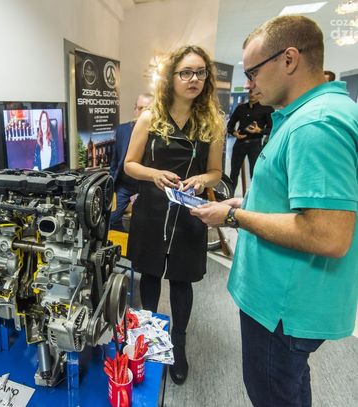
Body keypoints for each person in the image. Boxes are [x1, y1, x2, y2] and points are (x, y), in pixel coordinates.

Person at [191, 15, 358, 407]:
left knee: (272, 393)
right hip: (285, 301)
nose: (248, 83)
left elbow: (327, 235)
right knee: (291, 386)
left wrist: (232, 217)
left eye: (253, 72)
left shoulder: (316, 125)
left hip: (283, 307)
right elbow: (293, 199)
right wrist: (246, 203)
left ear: (289, 59)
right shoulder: (306, 115)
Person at [124, 45, 225, 385]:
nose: (194, 79)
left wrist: (202, 180)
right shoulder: (150, 117)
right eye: (186, 72)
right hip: (152, 210)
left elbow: (216, 173)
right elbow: (129, 165)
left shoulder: (212, 122)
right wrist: (153, 174)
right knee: (150, 274)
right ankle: (149, 337)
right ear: (171, 77)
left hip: (189, 212)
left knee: (182, 279)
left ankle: (178, 345)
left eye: (200, 72)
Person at [109, 93, 153, 231]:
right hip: (123, 186)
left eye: (146, 109)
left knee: (144, 223)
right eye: (138, 108)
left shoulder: (157, 135)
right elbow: (115, 161)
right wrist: (111, 185)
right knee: (111, 219)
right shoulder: (122, 130)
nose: (141, 112)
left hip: (146, 186)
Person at [227, 90, 274, 191]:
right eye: (250, 92)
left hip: (255, 145)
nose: (252, 94)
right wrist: (235, 133)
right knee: (233, 173)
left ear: (260, 93)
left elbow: (272, 129)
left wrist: (259, 130)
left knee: (255, 173)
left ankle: (254, 198)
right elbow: (230, 126)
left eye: (255, 92)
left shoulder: (267, 109)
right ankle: (229, 196)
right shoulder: (240, 108)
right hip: (239, 144)